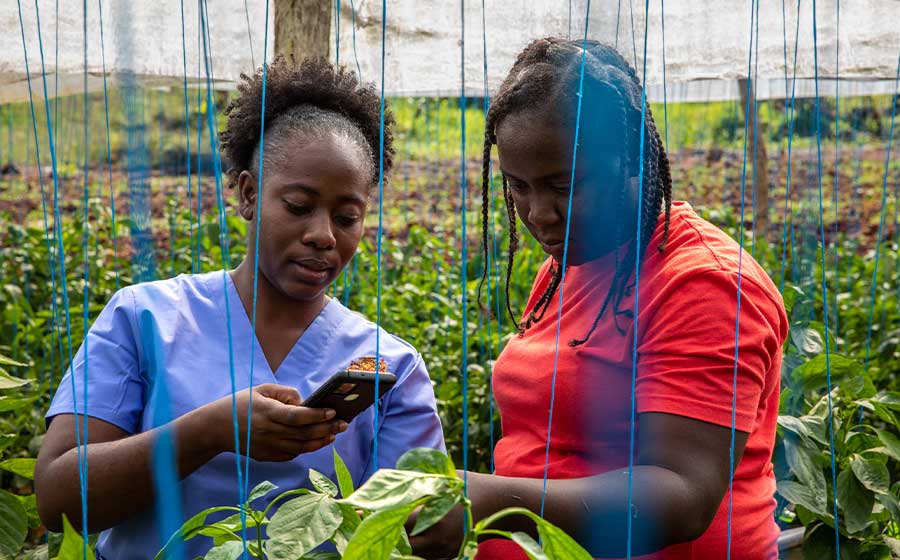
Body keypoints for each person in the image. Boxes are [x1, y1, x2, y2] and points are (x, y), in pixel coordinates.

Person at [35, 57, 444, 559]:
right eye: (297, 206)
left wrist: (429, 512)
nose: (323, 235)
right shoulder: (146, 319)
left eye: (347, 217)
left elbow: (420, 534)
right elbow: (58, 497)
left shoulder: (389, 366)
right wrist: (209, 432)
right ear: (249, 193)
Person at [411, 38, 787, 559]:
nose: (538, 212)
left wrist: (491, 501)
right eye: (517, 185)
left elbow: (683, 494)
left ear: (633, 158)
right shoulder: (572, 263)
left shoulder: (706, 283)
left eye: (564, 185)